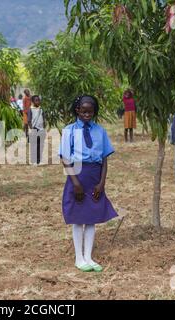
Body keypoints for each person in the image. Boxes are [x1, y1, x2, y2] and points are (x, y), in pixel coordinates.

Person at [59, 95, 118, 272]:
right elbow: (65, 158)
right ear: (77, 110)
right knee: (78, 218)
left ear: (94, 112)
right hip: (77, 175)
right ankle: (79, 258)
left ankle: (89, 257)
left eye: (90, 111)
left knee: (92, 218)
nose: (87, 114)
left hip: (95, 177)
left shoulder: (100, 131)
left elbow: (105, 159)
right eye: (83, 111)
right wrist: (75, 182)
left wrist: (102, 183)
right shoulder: (69, 131)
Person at [28, 95, 46, 165]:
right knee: (34, 145)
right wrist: (32, 129)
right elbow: (29, 120)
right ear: (33, 102)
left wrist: (44, 127)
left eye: (39, 100)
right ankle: (33, 161)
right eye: (36, 100)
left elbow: (44, 118)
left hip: (41, 129)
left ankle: (39, 160)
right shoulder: (31, 109)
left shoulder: (41, 109)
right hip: (34, 129)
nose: (38, 102)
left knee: (40, 145)